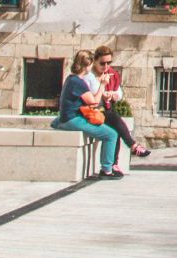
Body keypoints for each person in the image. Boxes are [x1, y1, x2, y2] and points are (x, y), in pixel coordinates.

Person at [52, 49, 123, 179]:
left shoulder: (70, 78)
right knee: (111, 134)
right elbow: (95, 102)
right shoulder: (78, 82)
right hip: (72, 119)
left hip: (65, 117)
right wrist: (103, 85)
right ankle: (107, 170)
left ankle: (58, 124)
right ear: (87, 65)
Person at [92, 45, 152, 159]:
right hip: (91, 111)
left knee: (115, 128)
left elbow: (118, 92)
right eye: (102, 63)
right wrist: (103, 92)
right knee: (114, 121)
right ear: (95, 61)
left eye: (108, 63)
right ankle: (133, 146)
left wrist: (114, 95)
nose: (106, 66)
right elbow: (91, 95)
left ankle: (113, 166)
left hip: (106, 109)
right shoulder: (90, 75)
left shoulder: (112, 74)